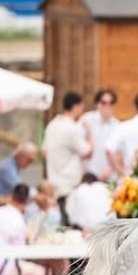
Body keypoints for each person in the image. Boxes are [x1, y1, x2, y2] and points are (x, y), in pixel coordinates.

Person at [42, 92, 92, 221]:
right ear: (75, 107)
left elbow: (44, 152)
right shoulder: (72, 128)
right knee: (70, 224)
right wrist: (89, 132)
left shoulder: (52, 125)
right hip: (69, 186)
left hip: (54, 184)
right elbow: (88, 152)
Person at [0, 142, 38, 223]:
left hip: (0, 213)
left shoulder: (12, 166)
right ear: (20, 155)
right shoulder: (7, 168)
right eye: (29, 160)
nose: (30, 163)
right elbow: (20, 189)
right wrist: (39, 196)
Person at [81, 89, 120, 181]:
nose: (107, 106)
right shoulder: (86, 120)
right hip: (88, 173)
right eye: (104, 103)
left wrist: (110, 168)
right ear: (97, 104)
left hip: (109, 175)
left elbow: (119, 152)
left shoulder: (117, 126)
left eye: (111, 103)